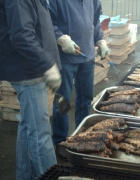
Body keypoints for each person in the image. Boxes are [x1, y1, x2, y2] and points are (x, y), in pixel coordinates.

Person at [0, 0, 62, 179]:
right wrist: (47, 65)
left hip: (32, 69)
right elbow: (22, 36)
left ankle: (24, 176)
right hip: (28, 72)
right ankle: (50, 176)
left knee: (28, 126)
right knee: (40, 134)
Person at [48, 0, 109, 161]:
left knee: (85, 99)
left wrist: (100, 39)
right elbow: (48, 22)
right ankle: (61, 142)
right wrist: (60, 38)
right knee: (64, 102)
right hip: (66, 57)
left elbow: (95, 21)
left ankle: (82, 137)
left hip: (87, 55)